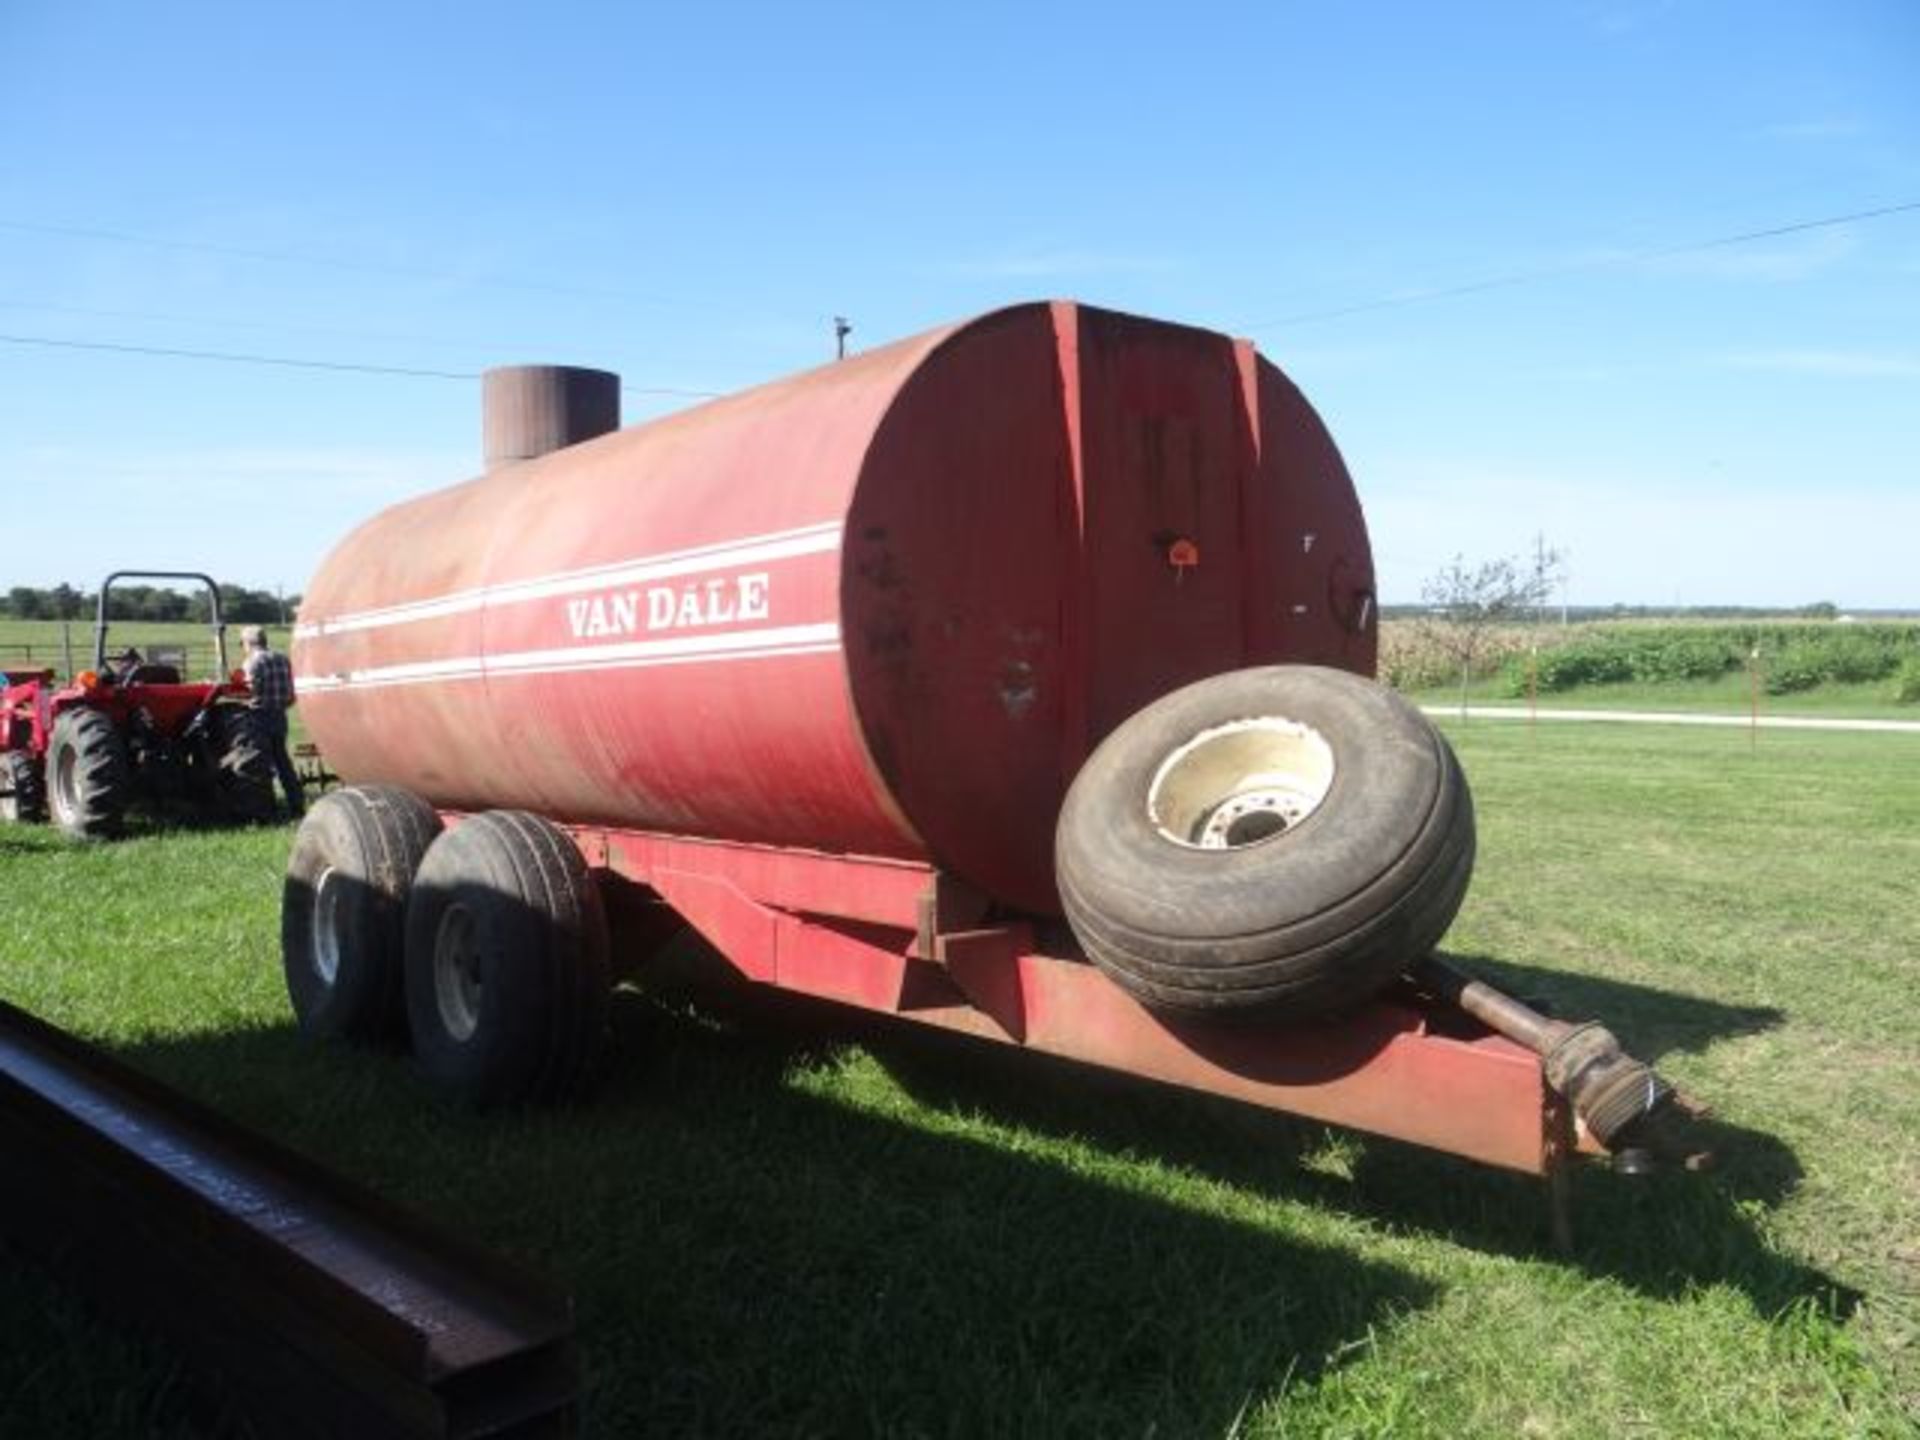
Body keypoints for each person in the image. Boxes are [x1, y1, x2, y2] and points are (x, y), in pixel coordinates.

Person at [240, 625, 304, 817]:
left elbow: (248, 691)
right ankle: (296, 805)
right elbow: (292, 694)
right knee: (283, 761)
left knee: (261, 764)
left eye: (243, 643)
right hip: (279, 715)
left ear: (249, 643)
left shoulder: (252, 662)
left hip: (258, 717)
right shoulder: (283, 659)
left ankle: (267, 808)